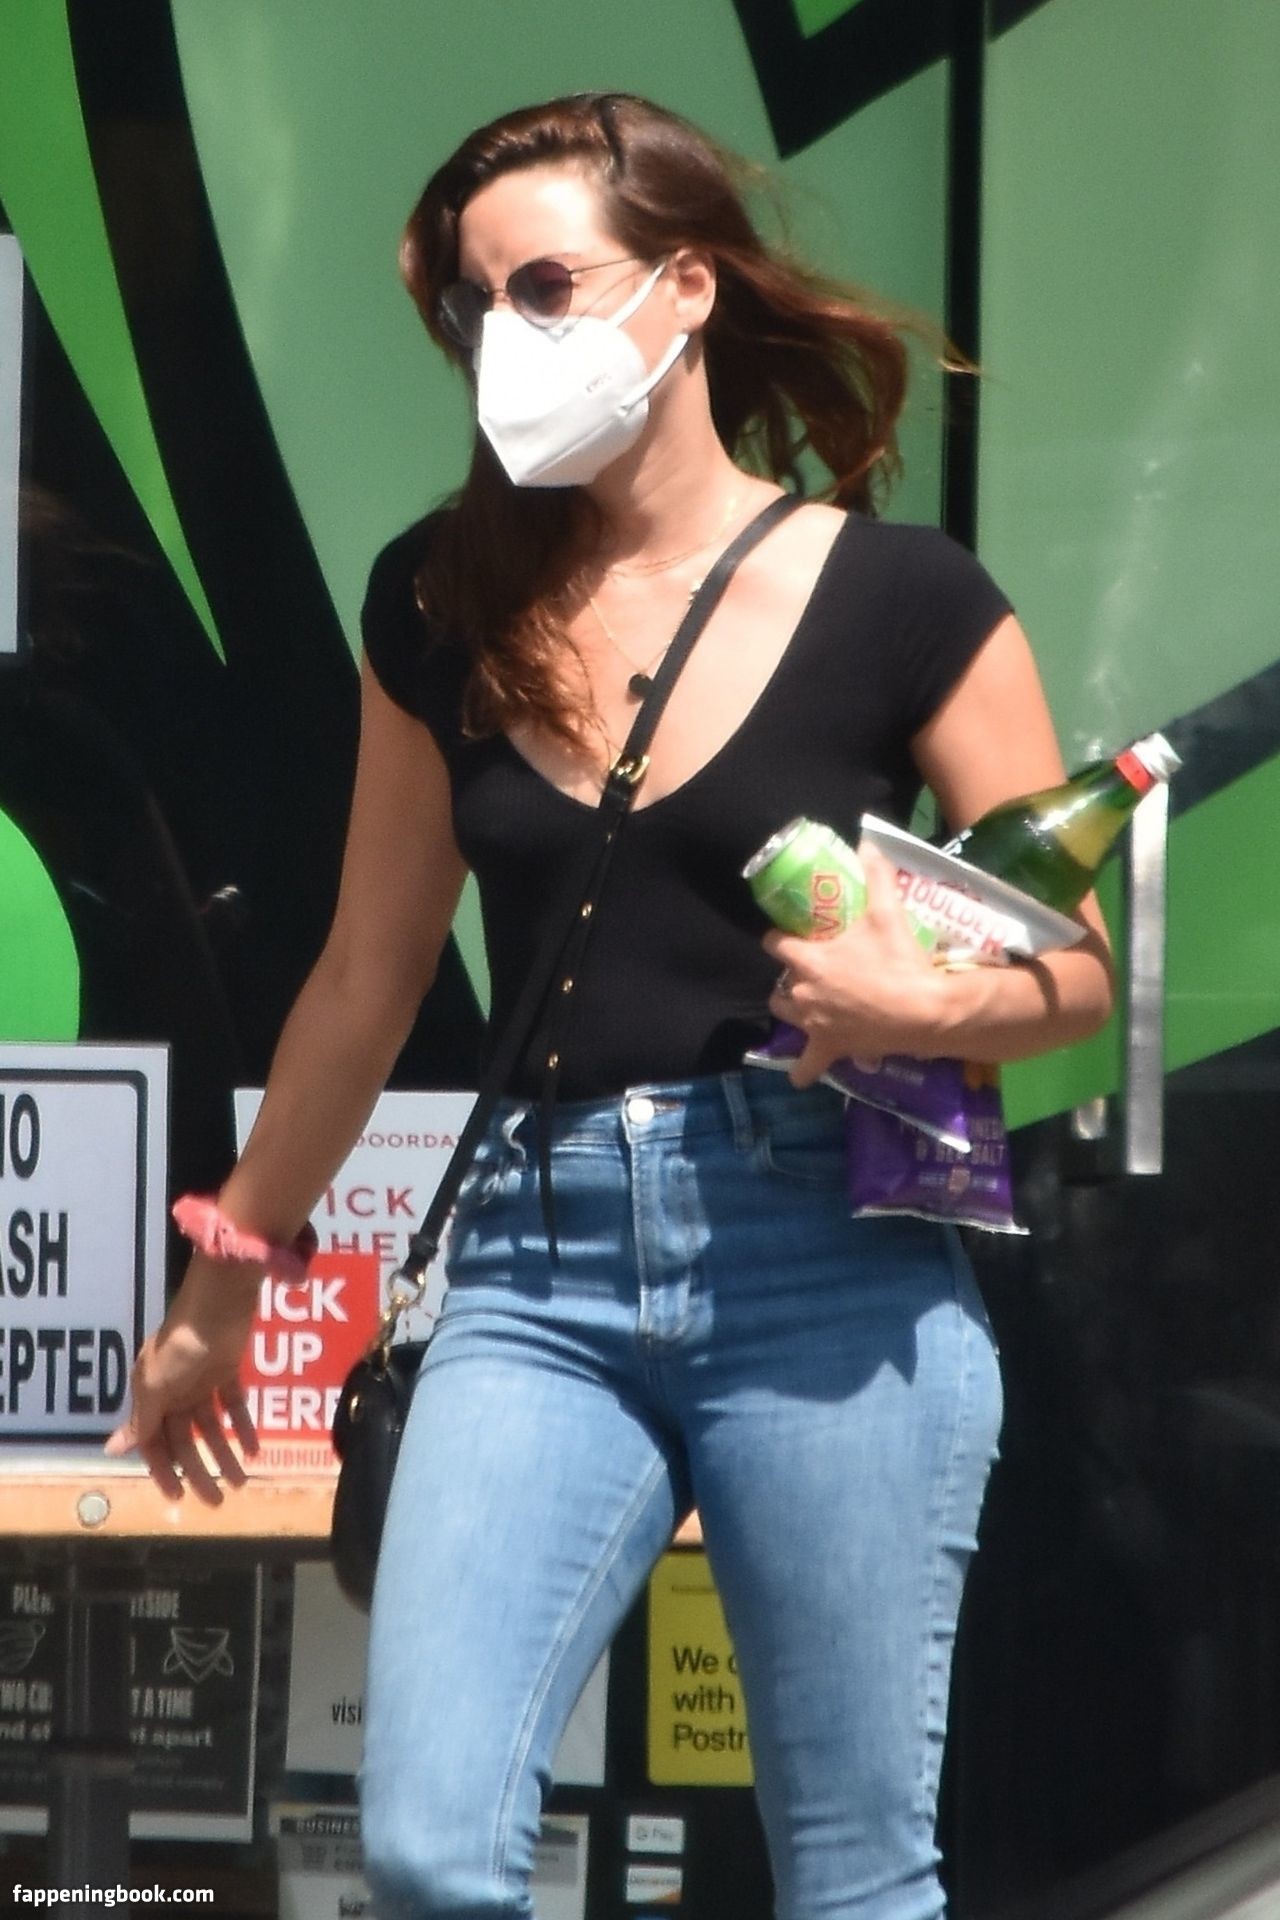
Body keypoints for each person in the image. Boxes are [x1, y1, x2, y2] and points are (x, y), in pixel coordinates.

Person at [108, 92, 1113, 1920]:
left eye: (546, 286)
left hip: (823, 1252)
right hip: (535, 1263)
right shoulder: (442, 604)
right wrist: (223, 1280)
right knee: (427, 1843)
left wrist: (916, 994)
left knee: (855, 1871)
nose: (504, 335)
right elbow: (365, 975)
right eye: (471, 305)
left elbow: (1081, 972)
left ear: (689, 284)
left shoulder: (904, 599)